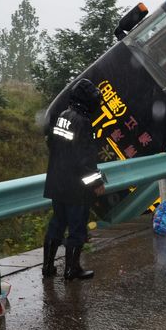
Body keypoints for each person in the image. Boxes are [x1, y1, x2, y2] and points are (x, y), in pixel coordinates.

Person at [43, 78, 106, 281]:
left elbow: (54, 146)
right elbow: (85, 159)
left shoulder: (63, 116)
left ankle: (48, 266)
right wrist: (96, 183)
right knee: (77, 228)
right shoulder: (83, 122)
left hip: (57, 182)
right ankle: (72, 269)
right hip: (75, 187)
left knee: (57, 224)